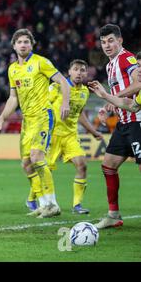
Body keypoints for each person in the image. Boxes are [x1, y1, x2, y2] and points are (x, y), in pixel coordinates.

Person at [0, 28, 70, 218]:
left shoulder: (41, 62)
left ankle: (53, 203)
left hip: (43, 116)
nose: (23, 45)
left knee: (37, 157)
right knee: (27, 164)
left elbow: (63, 81)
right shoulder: (12, 69)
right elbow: (13, 98)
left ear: (32, 44)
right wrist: (2, 117)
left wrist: (65, 103)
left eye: (26, 42)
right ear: (13, 46)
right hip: (27, 121)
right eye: (19, 42)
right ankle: (44, 205)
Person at [87, 24, 141, 229]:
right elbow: (121, 93)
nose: (107, 45)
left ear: (120, 41)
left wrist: (111, 96)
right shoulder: (110, 65)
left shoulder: (127, 59)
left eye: (111, 40)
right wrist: (108, 105)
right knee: (108, 165)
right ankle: (113, 215)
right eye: (103, 42)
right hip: (124, 123)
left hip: (138, 120)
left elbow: (139, 83)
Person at [45, 59, 103, 215]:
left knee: (82, 165)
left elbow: (80, 114)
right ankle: (35, 201)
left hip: (70, 135)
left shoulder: (84, 92)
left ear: (86, 73)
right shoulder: (56, 87)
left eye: (82, 70)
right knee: (45, 170)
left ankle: (77, 205)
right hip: (53, 135)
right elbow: (44, 106)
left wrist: (93, 131)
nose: (79, 72)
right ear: (69, 72)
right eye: (76, 69)